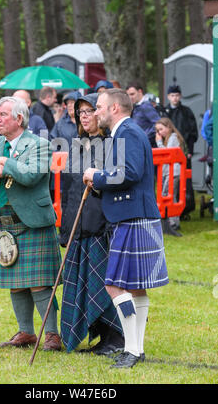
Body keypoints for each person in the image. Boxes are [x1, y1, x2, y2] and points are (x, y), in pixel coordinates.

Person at [83, 89, 169, 369]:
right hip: (135, 215)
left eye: (99, 107)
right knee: (136, 289)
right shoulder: (124, 133)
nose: (95, 112)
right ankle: (136, 349)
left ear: (115, 108)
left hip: (132, 216)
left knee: (115, 286)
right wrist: (99, 184)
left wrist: (98, 176)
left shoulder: (127, 133)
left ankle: (131, 349)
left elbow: (129, 173)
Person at [0, 96, 62, 351]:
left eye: (3, 114)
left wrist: (5, 164)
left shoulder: (40, 144)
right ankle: (26, 332)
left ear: (19, 119)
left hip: (33, 221)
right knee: (16, 280)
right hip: (6, 223)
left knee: (40, 282)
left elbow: (32, 175)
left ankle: (52, 335)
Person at [60, 93, 124, 355]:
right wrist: (67, 229)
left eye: (89, 111)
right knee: (82, 282)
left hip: (101, 225)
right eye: (80, 112)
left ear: (101, 113)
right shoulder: (76, 146)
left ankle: (115, 337)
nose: (84, 116)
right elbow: (68, 192)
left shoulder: (112, 145)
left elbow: (117, 183)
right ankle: (98, 336)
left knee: (101, 283)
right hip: (79, 225)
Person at [155, 117, 186, 231]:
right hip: (171, 172)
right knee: (170, 196)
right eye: (157, 130)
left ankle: (171, 222)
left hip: (173, 172)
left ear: (168, 127)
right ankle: (172, 222)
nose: (159, 132)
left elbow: (168, 154)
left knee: (167, 196)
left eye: (161, 129)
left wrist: (158, 142)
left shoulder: (173, 137)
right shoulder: (170, 138)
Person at [165, 84, 198, 162]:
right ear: (168, 97)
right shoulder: (165, 112)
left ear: (180, 96)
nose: (175, 98)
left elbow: (192, 132)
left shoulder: (186, 112)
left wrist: (190, 150)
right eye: (172, 95)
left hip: (183, 149)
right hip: (168, 149)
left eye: (177, 95)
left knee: (184, 172)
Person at [126, 83, 160, 147]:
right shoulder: (136, 106)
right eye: (128, 95)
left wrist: (144, 136)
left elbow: (158, 124)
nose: (130, 97)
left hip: (147, 144)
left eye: (132, 94)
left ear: (140, 91)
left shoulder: (146, 106)